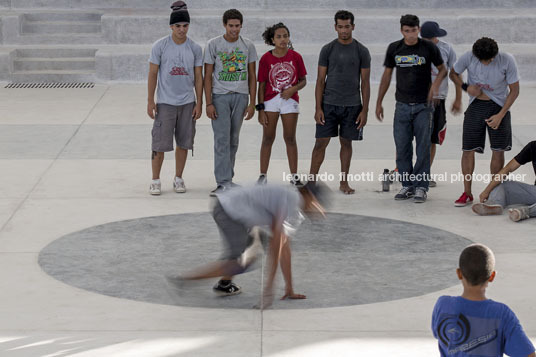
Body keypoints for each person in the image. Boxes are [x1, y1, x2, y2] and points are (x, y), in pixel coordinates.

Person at [167, 182, 329, 309]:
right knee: (242, 262)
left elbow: (284, 249)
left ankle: (225, 284)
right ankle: (185, 279)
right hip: (228, 210)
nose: (319, 211)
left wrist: (289, 288)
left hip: (233, 209)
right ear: (307, 195)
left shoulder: (295, 209)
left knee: (247, 255)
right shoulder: (292, 200)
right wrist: (268, 292)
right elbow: (276, 249)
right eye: (317, 204)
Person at [376, 14, 447, 203]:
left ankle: (421, 187)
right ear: (401, 31)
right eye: (407, 31)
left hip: (424, 106)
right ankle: (407, 184)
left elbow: (443, 69)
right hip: (402, 105)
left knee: (423, 147)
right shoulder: (395, 48)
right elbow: (387, 75)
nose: (410, 35)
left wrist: (435, 86)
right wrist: (379, 101)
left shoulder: (428, 47)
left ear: (419, 30)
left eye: (414, 31)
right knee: (402, 146)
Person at [449, 37, 520, 207]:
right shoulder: (469, 56)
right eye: (483, 60)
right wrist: (466, 87)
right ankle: (467, 193)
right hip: (476, 106)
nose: (487, 63)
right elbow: (453, 73)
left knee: (498, 151)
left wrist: (501, 115)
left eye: (490, 60)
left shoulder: (507, 60)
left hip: (499, 107)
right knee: (467, 150)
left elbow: (515, 90)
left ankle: (494, 192)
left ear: (495, 55)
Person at [432, 244, 535, 356]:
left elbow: (440, 335)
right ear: (492, 276)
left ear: (459, 273)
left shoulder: (443, 305)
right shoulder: (502, 314)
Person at [309, 10, 371, 195]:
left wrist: (365, 110)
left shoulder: (362, 50)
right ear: (335, 27)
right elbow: (320, 80)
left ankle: (344, 182)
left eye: (347, 26)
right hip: (329, 104)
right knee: (320, 143)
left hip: (352, 106)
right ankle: (311, 183)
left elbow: (365, 83)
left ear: (353, 26)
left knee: (346, 143)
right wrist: (318, 107)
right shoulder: (327, 49)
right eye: (340, 27)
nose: (344, 30)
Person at [147, 1, 203, 195]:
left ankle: (178, 178)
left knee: (183, 142)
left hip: (187, 102)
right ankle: (155, 180)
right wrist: (150, 100)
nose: (182, 29)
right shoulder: (160, 46)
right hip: (165, 102)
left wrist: (199, 103)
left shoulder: (195, 48)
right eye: (178, 26)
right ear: (171, 26)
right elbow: (153, 73)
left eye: (185, 25)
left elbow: (198, 77)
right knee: (159, 144)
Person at [204, 9, 257, 196]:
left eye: (237, 26)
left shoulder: (248, 46)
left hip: (241, 96)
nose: (234, 29)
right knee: (221, 139)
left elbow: (252, 75)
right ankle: (222, 182)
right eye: (231, 26)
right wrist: (208, 103)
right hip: (220, 96)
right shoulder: (213, 44)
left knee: (233, 139)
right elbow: (207, 75)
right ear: (224, 25)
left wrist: (252, 103)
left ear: (241, 25)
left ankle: (229, 179)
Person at [256, 23, 307, 186]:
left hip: (289, 100)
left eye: (285, 36)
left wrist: (293, 89)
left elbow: (303, 80)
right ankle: (263, 175)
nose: (283, 39)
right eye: (279, 36)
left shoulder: (296, 57)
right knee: (268, 138)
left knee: (290, 138)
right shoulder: (266, 58)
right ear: (272, 39)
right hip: (270, 100)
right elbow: (262, 85)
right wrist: (260, 109)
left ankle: (294, 176)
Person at [420, 21, 462, 187]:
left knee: (431, 139)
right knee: (409, 136)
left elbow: (455, 74)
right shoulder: (415, 47)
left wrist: (458, 98)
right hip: (417, 99)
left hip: (438, 100)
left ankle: (424, 174)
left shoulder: (447, 49)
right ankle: (404, 171)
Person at [472, 140, 536, 222]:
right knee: (501, 182)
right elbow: (508, 169)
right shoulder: (533, 146)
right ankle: (494, 204)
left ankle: (526, 212)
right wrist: (486, 191)